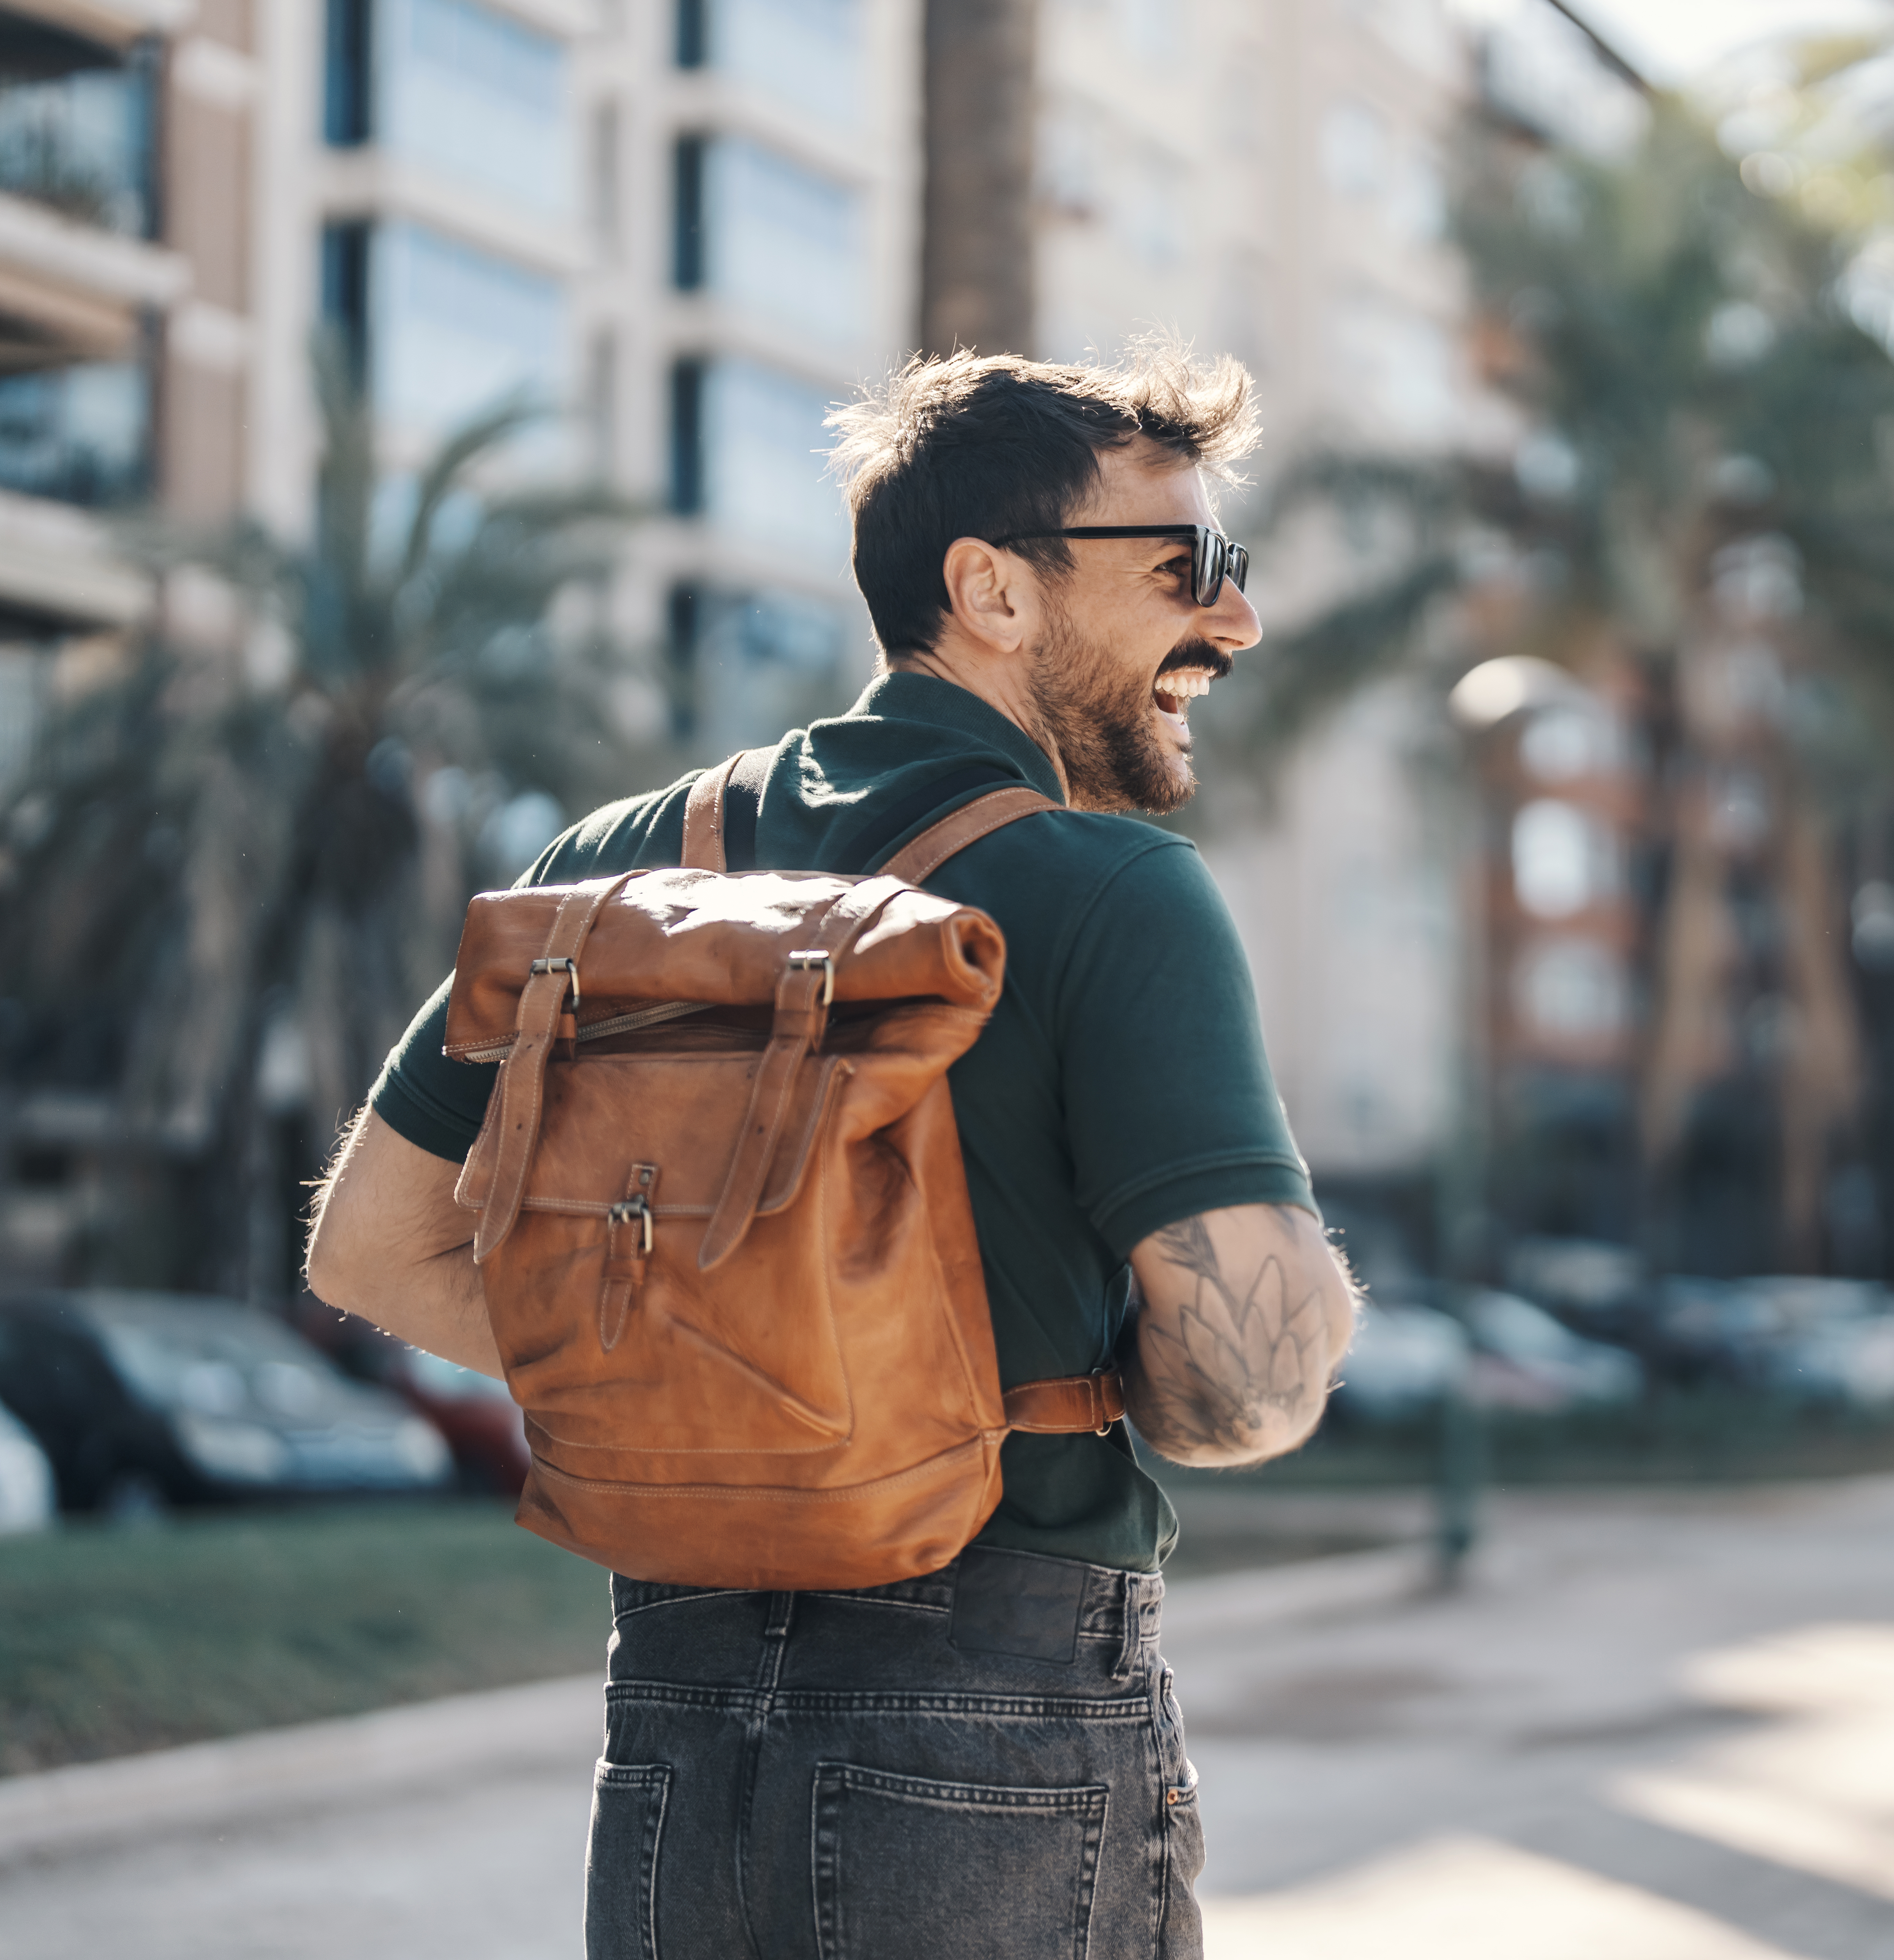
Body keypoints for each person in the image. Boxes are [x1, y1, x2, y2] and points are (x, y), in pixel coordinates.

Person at [306, 346, 1358, 1960]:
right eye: (1191, 566)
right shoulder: (1112, 890)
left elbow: (370, 1251)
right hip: (999, 1692)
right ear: (993, 590)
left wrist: (722, 1388)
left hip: (675, 1709)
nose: (1235, 618)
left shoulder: (608, 869)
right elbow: (1249, 1387)